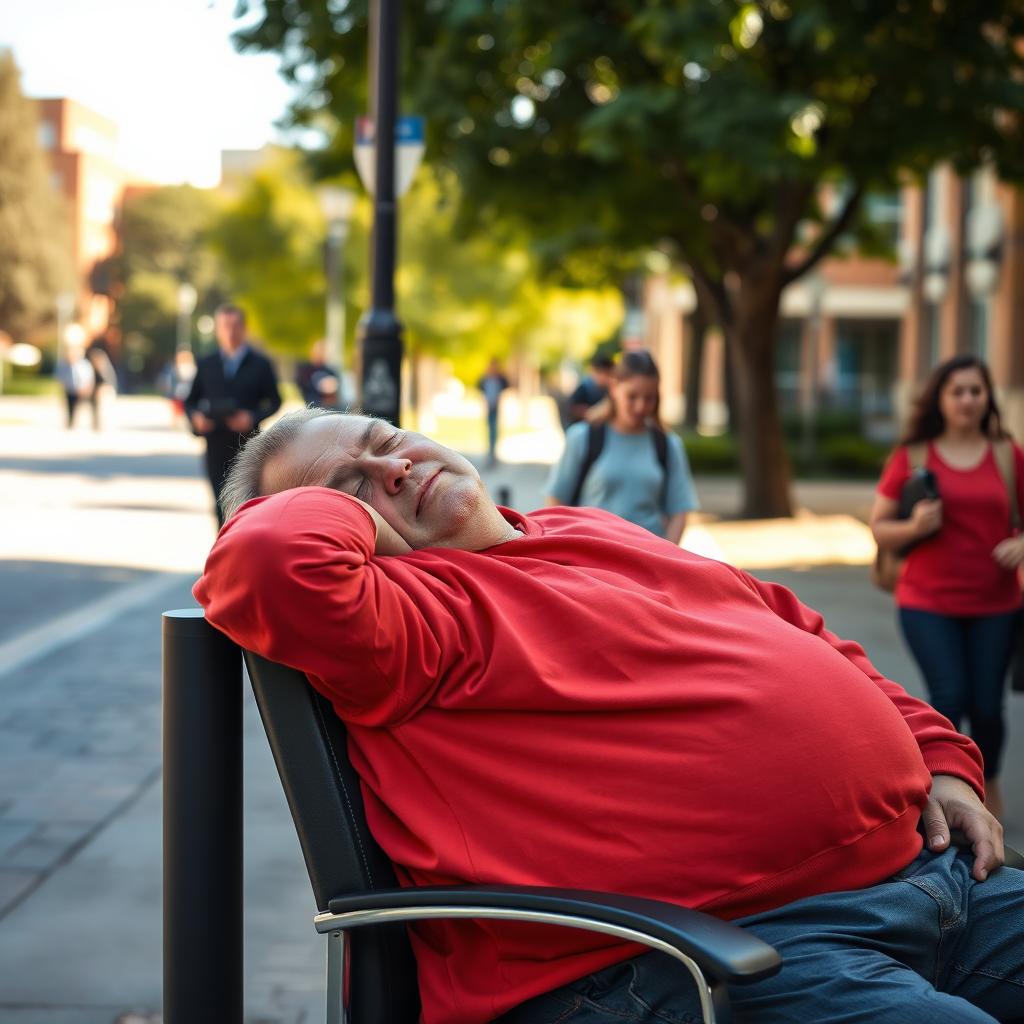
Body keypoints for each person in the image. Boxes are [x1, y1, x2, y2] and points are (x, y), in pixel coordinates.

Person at [193, 406, 1023, 1024]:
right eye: (351, 484)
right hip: (704, 958)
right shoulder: (409, 618)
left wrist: (941, 757)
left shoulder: (582, 527)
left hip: (937, 883)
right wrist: (352, 497)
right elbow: (264, 561)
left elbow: (798, 628)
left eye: (386, 439)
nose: (394, 468)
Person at [871, 354, 1024, 821]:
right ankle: (943, 789)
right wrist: (914, 525)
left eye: (976, 390)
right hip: (927, 602)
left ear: (987, 398)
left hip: (997, 603)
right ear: (940, 398)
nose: (967, 400)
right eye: (957, 391)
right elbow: (879, 529)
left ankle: (987, 782)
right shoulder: (914, 455)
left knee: (988, 707)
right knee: (950, 696)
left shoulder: (1006, 453)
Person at [546, 350, 698, 544]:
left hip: (648, 561)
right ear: (614, 388)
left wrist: (667, 555)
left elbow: (679, 512)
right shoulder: (583, 437)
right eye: (632, 396)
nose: (641, 407)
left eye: (649, 398)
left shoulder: (668, 445)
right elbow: (556, 503)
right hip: (592, 561)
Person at [183, 303, 281, 527]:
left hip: (247, 445)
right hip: (215, 444)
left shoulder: (261, 364)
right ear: (217, 329)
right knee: (219, 504)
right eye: (225, 326)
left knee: (244, 506)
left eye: (235, 326)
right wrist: (196, 419)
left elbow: (275, 401)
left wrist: (252, 417)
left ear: (244, 328)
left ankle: (241, 552)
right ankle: (223, 554)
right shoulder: (206, 364)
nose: (230, 331)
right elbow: (190, 401)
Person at [55, 341, 95, 429]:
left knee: (81, 407)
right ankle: (70, 423)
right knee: (70, 407)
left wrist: (87, 387)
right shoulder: (64, 364)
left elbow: (89, 377)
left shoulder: (84, 364)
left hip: (81, 389)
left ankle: (81, 423)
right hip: (69, 389)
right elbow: (59, 376)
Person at [477, 357, 509, 466]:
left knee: (494, 430)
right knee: (489, 429)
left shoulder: (499, 379)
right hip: (488, 407)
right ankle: (490, 452)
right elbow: (480, 388)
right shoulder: (485, 379)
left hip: (496, 407)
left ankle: (493, 453)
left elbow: (506, 385)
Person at [568, 354, 615, 424]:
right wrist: (591, 412)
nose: (604, 377)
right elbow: (574, 408)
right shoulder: (585, 387)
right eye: (601, 373)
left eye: (607, 374)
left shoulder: (612, 388)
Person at [295, 339, 342, 409]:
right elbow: (301, 385)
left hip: (329, 406)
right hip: (312, 404)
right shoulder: (306, 369)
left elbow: (337, 388)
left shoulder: (330, 371)